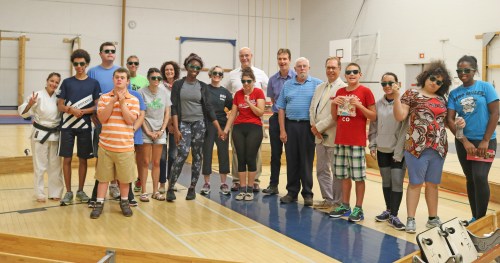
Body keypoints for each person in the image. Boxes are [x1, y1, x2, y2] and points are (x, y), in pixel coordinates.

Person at [392, 61, 458, 233]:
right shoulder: (412, 94)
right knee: (415, 183)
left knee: (433, 184)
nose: (434, 83)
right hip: (416, 147)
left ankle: (432, 218)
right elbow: (400, 116)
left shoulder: (442, 99)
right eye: (433, 78)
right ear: (426, 76)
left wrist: (460, 123)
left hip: (438, 148)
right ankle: (411, 219)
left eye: (439, 82)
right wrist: (397, 97)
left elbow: (446, 122)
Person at [447, 55, 498, 222]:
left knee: (480, 177)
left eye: (466, 70)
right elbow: (449, 119)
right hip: (464, 143)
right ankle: (475, 216)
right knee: (470, 179)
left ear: (474, 70)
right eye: (459, 70)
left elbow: (495, 113)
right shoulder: (454, 94)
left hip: (485, 141)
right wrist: (465, 141)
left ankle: (481, 219)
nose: (463, 73)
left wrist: (485, 140)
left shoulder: (486, 87)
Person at [166, 53, 219, 201]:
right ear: (186, 67)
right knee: (182, 153)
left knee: (197, 155)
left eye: (197, 67)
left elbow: (208, 108)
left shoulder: (202, 86)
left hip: (199, 124)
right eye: (192, 66)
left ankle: (192, 188)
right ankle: (171, 187)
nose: (194, 69)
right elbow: (174, 107)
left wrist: (219, 128)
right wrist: (176, 129)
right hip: (183, 123)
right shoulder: (178, 84)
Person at [329, 63, 376, 222]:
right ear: (345, 75)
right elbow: (335, 118)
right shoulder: (340, 92)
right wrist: (334, 103)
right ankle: (345, 205)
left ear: (360, 74)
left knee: (358, 177)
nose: (352, 74)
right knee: (343, 176)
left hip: (357, 141)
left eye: (355, 71)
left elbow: (373, 116)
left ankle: (358, 208)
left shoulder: (366, 92)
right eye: (349, 72)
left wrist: (359, 105)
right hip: (341, 139)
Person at [90, 67, 139, 219]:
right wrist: (113, 101)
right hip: (106, 147)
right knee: (103, 178)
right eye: (117, 77)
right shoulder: (104, 98)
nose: (119, 79)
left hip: (125, 147)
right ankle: (99, 204)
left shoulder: (134, 100)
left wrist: (123, 103)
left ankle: (124, 203)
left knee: (124, 179)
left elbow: (131, 120)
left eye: (122, 77)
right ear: (113, 79)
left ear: (127, 81)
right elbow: (102, 118)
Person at [57, 49, 101, 205]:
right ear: (73, 64)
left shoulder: (94, 83)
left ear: (87, 64)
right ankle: (68, 192)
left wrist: (82, 111)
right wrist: (71, 110)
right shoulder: (67, 82)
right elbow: (60, 105)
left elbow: (97, 107)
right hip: (67, 126)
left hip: (85, 126)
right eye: (76, 64)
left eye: (82, 63)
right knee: (67, 159)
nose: (79, 66)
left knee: (83, 159)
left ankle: (80, 191)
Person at [277, 57, 322, 206]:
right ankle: (292, 192)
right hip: (291, 126)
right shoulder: (287, 85)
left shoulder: (317, 84)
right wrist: (282, 130)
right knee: (292, 160)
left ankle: (308, 193)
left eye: (305, 66)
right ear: (294, 69)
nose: (302, 69)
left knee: (306, 161)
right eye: (299, 66)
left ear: (309, 68)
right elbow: (281, 108)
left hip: (308, 127)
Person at [225, 47, 269, 192]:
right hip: (239, 122)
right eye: (242, 56)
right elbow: (226, 94)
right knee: (238, 153)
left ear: (251, 56)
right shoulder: (232, 75)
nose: (245, 58)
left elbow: (268, 94)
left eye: (247, 55)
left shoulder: (261, 74)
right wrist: (227, 111)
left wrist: (252, 103)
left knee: (253, 153)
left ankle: (254, 181)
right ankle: (237, 181)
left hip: (255, 123)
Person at [368, 72, 407, 230]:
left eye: (390, 83)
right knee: (386, 181)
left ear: (398, 84)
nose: (387, 86)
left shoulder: (404, 103)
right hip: (383, 148)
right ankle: (388, 210)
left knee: (397, 181)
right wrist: (372, 144)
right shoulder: (378, 104)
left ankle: (395, 215)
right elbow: (373, 126)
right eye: (384, 84)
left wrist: (400, 150)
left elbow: (405, 129)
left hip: (398, 149)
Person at [19, 72, 64, 202]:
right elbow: (23, 113)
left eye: (56, 82)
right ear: (47, 81)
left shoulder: (59, 97)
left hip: (55, 134)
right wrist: (30, 104)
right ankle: (39, 193)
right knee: (40, 165)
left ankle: (55, 192)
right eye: (52, 81)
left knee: (55, 165)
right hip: (40, 134)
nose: (54, 84)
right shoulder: (37, 95)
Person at [309, 57, 346, 211]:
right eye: (328, 67)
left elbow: (336, 114)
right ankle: (328, 199)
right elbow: (312, 108)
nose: (330, 70)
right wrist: (314, 126)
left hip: (332, 135)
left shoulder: (343, 89)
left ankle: (337, 202)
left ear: (339, 69)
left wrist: (319, 127)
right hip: (318, 136)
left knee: (336, 171)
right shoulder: (320, 87)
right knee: (321, 170)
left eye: (333, 68)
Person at [88, 42, 122, 199]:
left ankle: (114, 185)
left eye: (112, 51)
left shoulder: (120, 71)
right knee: (101, 156)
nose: (110, 53)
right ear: (100, 54)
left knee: (117, 155)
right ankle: (99, 187)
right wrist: (93, 116)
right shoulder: (93, 72)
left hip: (119, 122)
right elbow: (89, 95)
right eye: (106, 51)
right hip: (101, 120)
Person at [263, 48, 295, 195]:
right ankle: (273, 185)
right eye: (280, 59)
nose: (282, 62)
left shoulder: (296, 78)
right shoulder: (272, 80)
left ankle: (292, 189)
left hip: (292, 120)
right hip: (276, 119)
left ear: (289, 60)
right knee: (275, 155)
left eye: (285, 59)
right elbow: (273, 100)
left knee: (292, 156)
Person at [137, 68, 170, 202]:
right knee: (145, 162)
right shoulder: (141, 92)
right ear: (148, 79)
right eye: (153, 78)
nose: (156, 80)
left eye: (158, 78)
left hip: (160, 131)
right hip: (146, 130)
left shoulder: (164, 93)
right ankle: (144, 191)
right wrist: (147, 131)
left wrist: (162, 130)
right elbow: (140, 114)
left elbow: (167, 113)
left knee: (157, 162)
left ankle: (155, 191)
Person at [201, 66, 233, 195]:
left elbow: (232, 108)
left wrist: (227, 125)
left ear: (222, 76)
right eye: (215, 73)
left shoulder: (225, 92)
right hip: (208, 125)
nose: (217, 75)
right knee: (207, 152)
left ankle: (224, 183)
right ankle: (207, 183)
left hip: (222, 126)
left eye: (220, 73)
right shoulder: (204, 89)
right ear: (210, 75)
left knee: (223, 153)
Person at [157, 61, 181, 193]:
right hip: (162, 123)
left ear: (175, 71)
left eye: (171, 70)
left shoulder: (179, 85)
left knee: (173, 155)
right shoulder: (160, 87)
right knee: (162, 156)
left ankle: (171, 182)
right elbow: (160, 106)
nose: (169, 72)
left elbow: (179, 105)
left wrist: (173, 123)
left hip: (175, 124)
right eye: (166, 70)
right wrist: (167, 123)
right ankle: (161, 183)